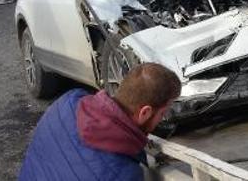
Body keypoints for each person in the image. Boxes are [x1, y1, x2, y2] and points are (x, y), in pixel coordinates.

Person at [19, 63, 182, 181]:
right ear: (144, 112)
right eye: (163, 113)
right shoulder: (123, 174)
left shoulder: (69, 101)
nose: (163, 118)